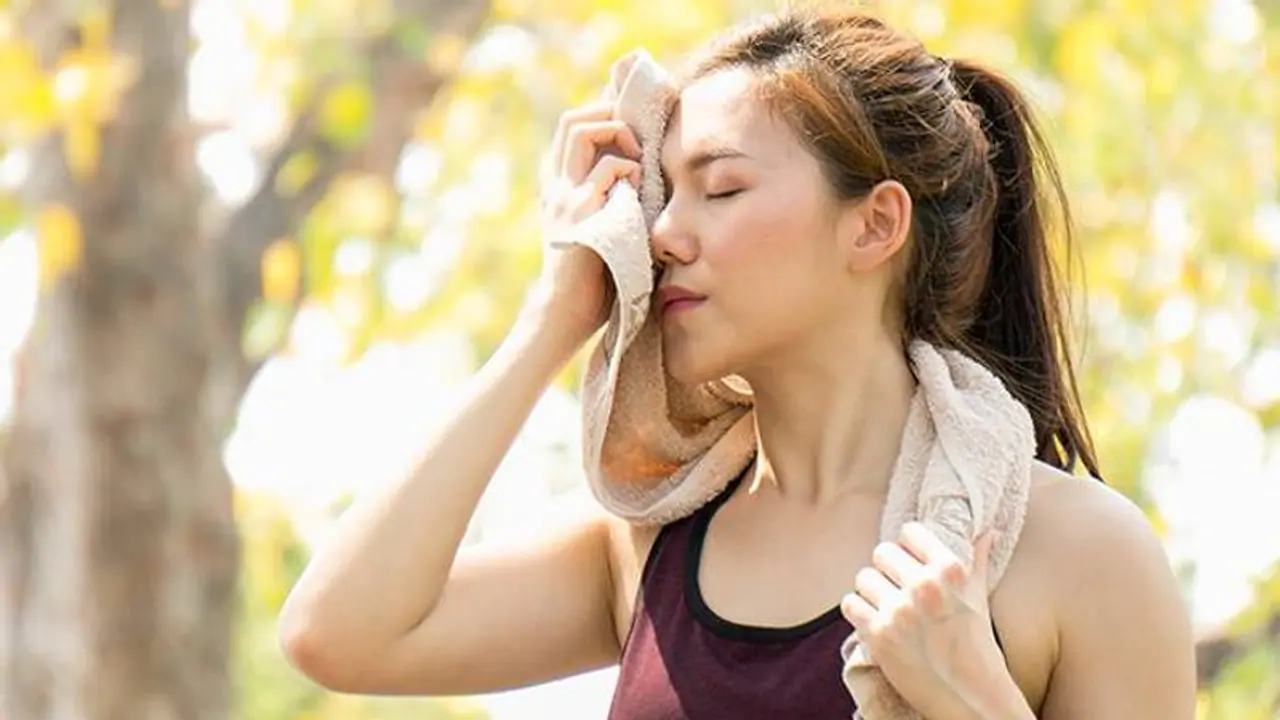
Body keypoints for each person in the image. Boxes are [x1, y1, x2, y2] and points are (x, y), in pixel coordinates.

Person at [278, 7, 1196, 718]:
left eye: (720, 188)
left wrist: (975, 705)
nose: (664, 234)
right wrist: (555, 315)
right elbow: (337, 633)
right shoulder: (648, 544)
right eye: (663, 193)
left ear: (874, 224)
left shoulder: (1080, 556)